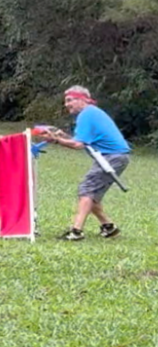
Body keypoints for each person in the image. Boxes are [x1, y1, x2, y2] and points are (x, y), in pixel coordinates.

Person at [37, 85, 131, 241]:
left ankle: (76, 232)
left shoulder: (86, 115)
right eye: (66, 101)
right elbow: (82, 141)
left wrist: (55, 139)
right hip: (113, 156)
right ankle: (108, 226)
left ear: (83, 100)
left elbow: (77, 145)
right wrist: (62, 136)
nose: (66, 104)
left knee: (87, 190)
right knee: (91, 193)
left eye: (70, 100)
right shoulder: (91, 113)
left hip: (112, 157)